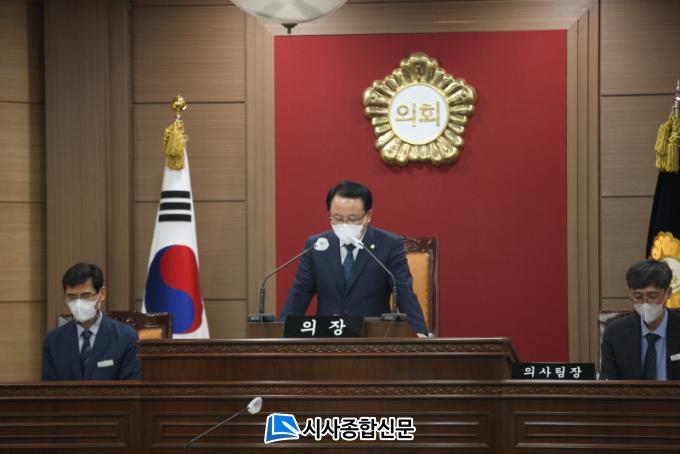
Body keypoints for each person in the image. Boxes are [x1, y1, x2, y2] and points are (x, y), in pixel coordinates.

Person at [281, 180, 429, 336]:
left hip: (373, 339)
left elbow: (404, 293)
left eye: (352, 219)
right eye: (337, 218)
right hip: (327, 339)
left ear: (368, 216)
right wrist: (282, 332)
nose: (344, 225)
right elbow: (299, 293)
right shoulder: (316, 246)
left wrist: (419, 333)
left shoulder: (389, 245)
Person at [42, 263, 141, 380]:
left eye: (86, 295)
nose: (78, 303)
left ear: (102, 294)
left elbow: (130, 387)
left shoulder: (126, 338)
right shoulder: (53, 341)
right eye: (72, 297)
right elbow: (49, 389)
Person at [600, 259, 680, 380]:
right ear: (630, 294)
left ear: (668, 293)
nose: (645, 303)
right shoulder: (615, 333)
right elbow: (608, 384)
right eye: (638, 296)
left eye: (653, 296)